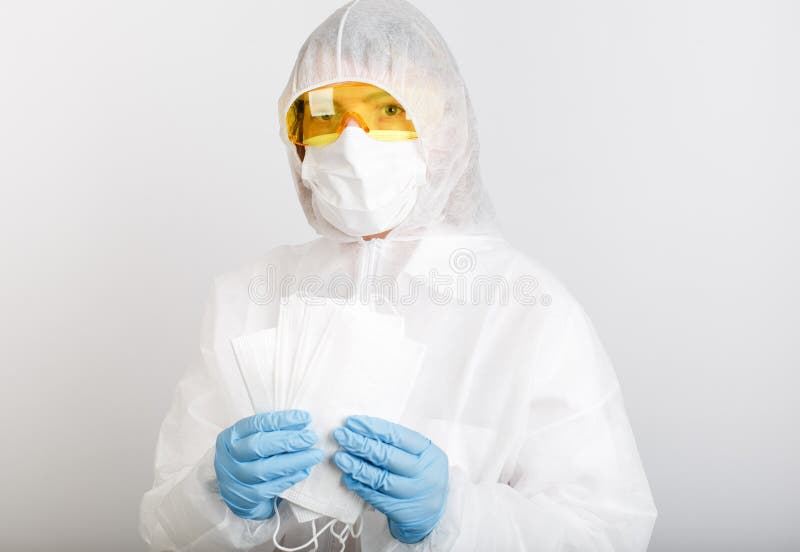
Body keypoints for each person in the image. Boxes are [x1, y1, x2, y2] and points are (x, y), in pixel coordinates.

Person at [139, 0, 658, 550]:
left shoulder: (526, 310)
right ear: (297, 143)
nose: (350, 141)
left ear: (444, 123)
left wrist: (454, 516)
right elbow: (163, 530)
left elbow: (608, 531)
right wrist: (218, 495)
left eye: (386, 111)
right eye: (322, 114)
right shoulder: (247, 296)